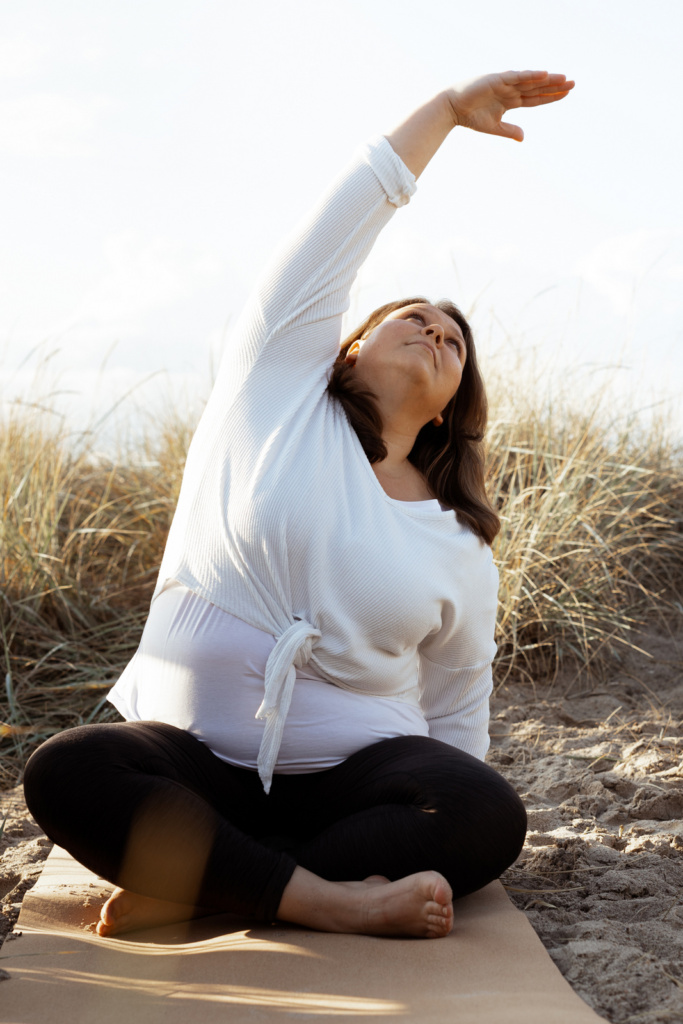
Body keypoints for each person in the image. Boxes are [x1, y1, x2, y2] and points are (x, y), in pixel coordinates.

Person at [24, 69, 574, 940]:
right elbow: (341, 221)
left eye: (453, 342)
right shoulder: (272, 391)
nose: (435, 331)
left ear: (449, 408)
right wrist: (443, 113)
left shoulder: (456, 539)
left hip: (348, 784)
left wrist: (446, 806)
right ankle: (323, 898)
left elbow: (456, 698)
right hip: (196, 761)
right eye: (413, 318)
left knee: (486, 812)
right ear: (346, 348)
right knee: (67, 767)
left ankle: (216, 879)